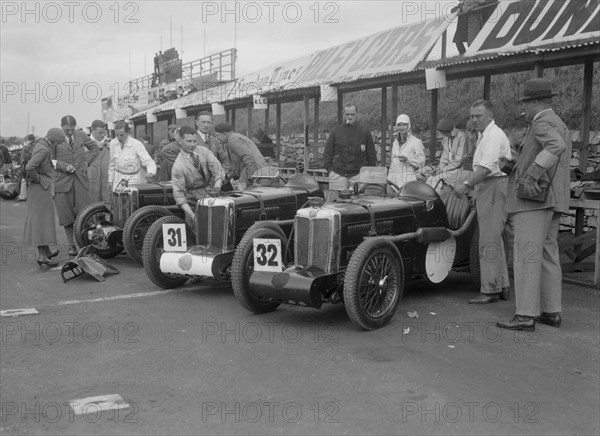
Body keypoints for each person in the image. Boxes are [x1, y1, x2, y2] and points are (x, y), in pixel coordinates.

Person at [497, 79, 572, 332]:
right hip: (553, 199)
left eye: (525, 104)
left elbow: (555, 147)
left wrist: (534, 171)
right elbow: (557, 152)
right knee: (547, 255)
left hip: (534, 200)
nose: (523, 111)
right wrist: (517, 165)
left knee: (526, 255)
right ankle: (551, 312)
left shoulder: (540, 122)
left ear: (535, 102)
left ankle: (525, 315)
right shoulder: (559, 122)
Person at [454, 100, 511, 304]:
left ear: (489, 115)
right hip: (489, 186)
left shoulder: (494, 136)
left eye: (478, 116)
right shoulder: (484, 135)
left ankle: (490, 290)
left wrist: (466, 184)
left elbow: (486, 169)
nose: (475, 119)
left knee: (488, 240)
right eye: (472, 116)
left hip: (494, 185)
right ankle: (501, 285)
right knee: (493, 238)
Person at [54, 115, 99, 256]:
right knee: (66, 216)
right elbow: (50, 160)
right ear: (61, 126)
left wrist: (86, 163)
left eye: (72, 129)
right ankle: (72, 246)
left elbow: (94, 149)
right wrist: (64, 167)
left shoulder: (81, 135)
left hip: (80, 179)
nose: (69, 132)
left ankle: (85, 245)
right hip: (62, 182)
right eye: (67, 130)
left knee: (85, 214)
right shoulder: (54, 138)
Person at [23, 128, 65, 267]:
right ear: (53, 141)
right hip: (41, 189)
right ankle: (42, 256)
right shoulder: (45, 149)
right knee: (42, 221)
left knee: (42, 221)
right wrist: (40, 179)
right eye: (57, 143)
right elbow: (30, 167)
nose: (56, 146)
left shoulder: (41, 144)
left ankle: (46, 251)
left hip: (38, 190)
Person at [171, 126, 226, 223]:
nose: (192, 144)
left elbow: (218, 170)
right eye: (189, 141)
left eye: (195, 141)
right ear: (180, 140)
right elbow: (179, 195)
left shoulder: (204, 151)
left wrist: (217, 188)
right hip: (193, 205)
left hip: (212, 198)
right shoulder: (178, 166)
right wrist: (192, 215)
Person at [323, 103, 377, 191]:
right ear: (343, 115)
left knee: (359, 203)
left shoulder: (365, 132)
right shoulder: (335, 131)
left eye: (352, 114)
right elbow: (327, 154)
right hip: (338, 176)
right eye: (347, 114)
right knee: (336, 203)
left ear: (357, 114)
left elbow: (371, 156)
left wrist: (367, 173)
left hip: (359, 176)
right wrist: (330, 171)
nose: (350, 117)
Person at [214, 122, 267, 190]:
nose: (217, 138)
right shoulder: (235, 137)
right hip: (256, 171)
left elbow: (249, 159)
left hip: (254, 173)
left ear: (224, 133)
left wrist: (245, 181)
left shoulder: (233, 140)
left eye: (218, 135)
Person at [108, 121, 157, 190]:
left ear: (128, 132)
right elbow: (112, 164)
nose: (119, 138)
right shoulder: (113, 143)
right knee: (117, 199)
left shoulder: (137, 144)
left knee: (132, 199)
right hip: (117, 179)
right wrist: (110, 180)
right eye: (117, 135)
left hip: (133, 179)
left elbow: (149, 162)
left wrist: (150, 172)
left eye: (121, 135)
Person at [426, 118, 469, 190]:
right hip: (449, 169)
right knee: (430, 179)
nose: (442, 134)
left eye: (442, 132)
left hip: (459, 169)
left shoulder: (461, 137)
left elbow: (458, 160)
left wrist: (443, 170)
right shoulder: (446, 139)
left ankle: (437, 199)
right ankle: (428, 200)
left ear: (445, 131)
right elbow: (444, 158)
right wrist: (439, 169)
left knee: (437, 181)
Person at [388, 114, 426, 189]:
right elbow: (392, 164)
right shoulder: (395, 143)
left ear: (409, 125)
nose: (401, 127)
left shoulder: (416, 142)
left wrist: (408, 160)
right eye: (399, 125)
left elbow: (422, 162)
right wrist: (389, 180)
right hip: (393, 181)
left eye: (404, 125)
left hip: (408, 181)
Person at [88, 120, 111, 206]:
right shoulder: (83, 144)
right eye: (99, 133)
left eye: (104, 133)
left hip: (107, 181)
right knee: (91, 207)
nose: (102, 135)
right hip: (90, 181)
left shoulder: (111, 143)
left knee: (107, 204)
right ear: (92, 130)